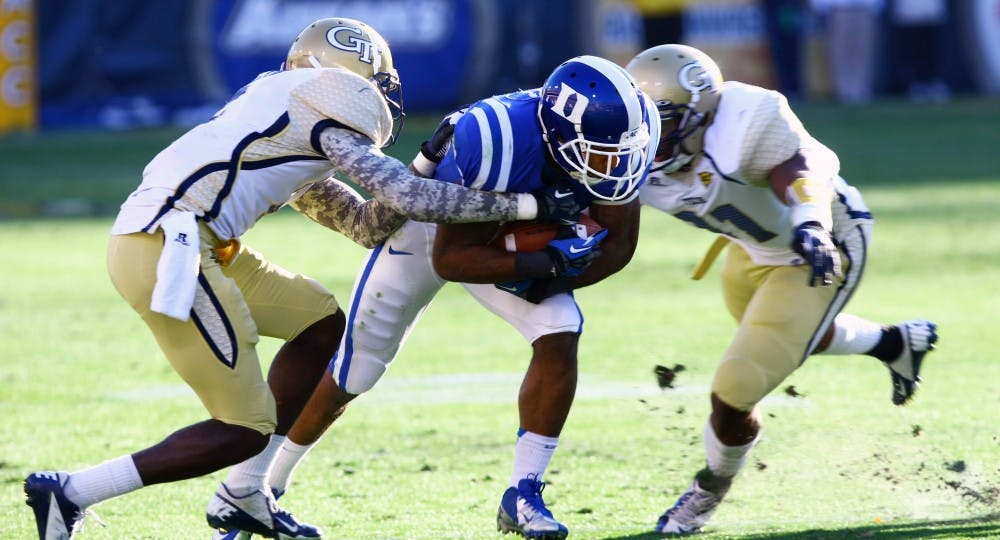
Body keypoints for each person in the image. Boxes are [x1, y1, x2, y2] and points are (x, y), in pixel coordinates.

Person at [22, 17, 579, 540]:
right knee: (244, 427)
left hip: (178, 240)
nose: (383, 95)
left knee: (321, 325)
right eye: (378, 82)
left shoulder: (282, 118)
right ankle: (71, 493)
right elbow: (408, 200)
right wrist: (530, 205)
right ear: (352, 79)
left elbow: (367, 224)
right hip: (173, 249)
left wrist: (426, 161)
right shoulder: (326, 110)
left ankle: (245, 492)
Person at [214, 54, 659, 540]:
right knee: (353, 371)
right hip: (435, 230)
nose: (612, 163)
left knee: (560, 329)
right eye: (597, 152)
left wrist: (553, 277)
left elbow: (619, 245)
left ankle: (524, 494)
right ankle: (260, 489)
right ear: (558, 132)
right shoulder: (496, 138)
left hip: (512, 246)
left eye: (618, 151)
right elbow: (452, 258)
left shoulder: (624, 142)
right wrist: (545, 261)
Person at [625, 44, 938, 534]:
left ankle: (708, 490)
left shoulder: (746, 118)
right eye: (643, 121)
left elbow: (798, 171)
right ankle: (897, 343)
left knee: (735, 389)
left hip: (815, 245)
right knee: (786, 338)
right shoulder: (630, 148)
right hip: (749, 249)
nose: (650, 136)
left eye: (664, 121)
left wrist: (811, 225)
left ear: (702, 110)